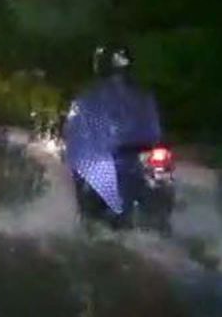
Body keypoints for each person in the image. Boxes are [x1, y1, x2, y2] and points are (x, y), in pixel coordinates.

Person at [63, 45, 163, 220]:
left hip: (112, 155)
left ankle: (92, 221)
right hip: (145, 153)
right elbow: (155, 129)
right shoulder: (143, 94)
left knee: (86, 187)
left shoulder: (89, 97)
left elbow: (74, 129)